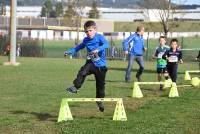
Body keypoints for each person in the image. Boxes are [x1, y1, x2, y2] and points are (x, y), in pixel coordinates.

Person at [64, 20, 109, 112]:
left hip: (101, 66)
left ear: (95, 30)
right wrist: (69, 51)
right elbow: (78, 47)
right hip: (91, 63)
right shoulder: (86, 40)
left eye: (90, 31)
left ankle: (99, 101)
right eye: (86, 31)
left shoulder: (100, 37)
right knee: (82, 72)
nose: (88, 33)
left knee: (100, 86)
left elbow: (106, 44)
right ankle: (76, 87)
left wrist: (98, 49)